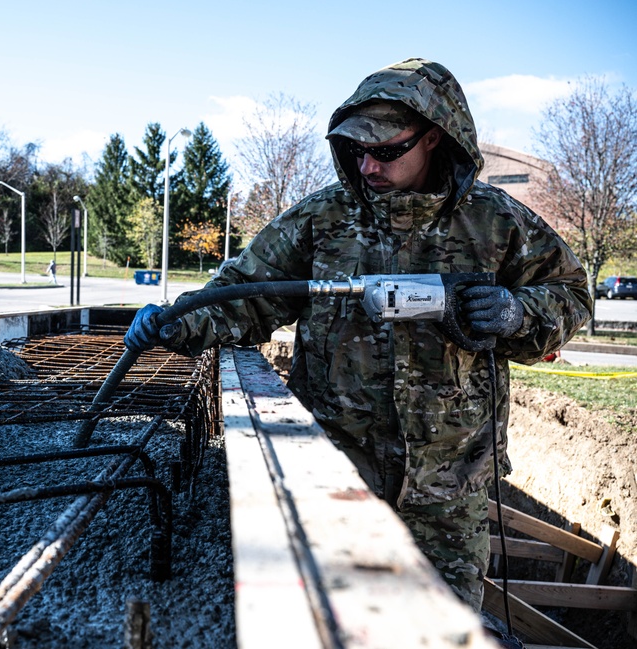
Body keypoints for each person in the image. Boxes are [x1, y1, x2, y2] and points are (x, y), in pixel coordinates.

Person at [125, 58, 592, 611]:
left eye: (386, 150)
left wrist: (517, 314)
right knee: (338, 618)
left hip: (450, 486)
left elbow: (571, 295)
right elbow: (247, 293)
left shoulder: (497, 222)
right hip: (337, 474)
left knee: (442, 624)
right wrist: (180, 321)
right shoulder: (323, 218)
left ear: (434, 137)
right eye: (355, 150)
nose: (368, 165)